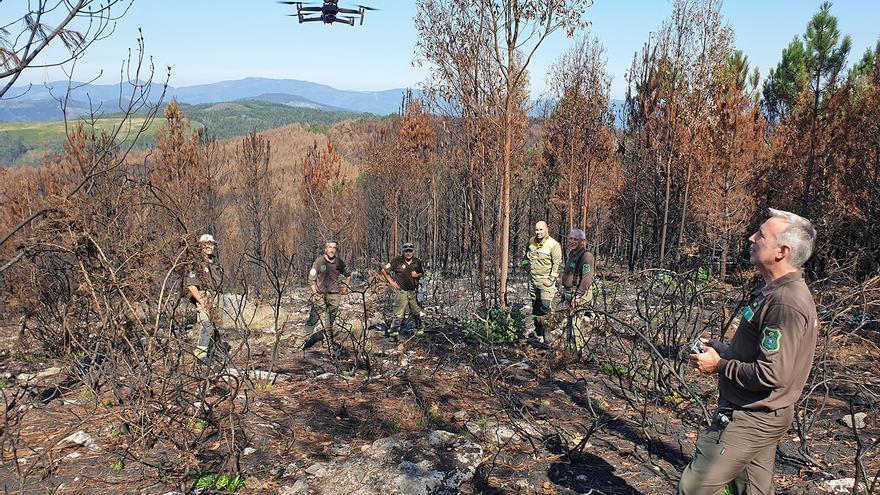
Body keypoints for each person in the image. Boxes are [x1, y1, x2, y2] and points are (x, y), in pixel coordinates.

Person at [679, 208, 818, 495]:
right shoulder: (774, 291)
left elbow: (772, 373)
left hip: (750, 418)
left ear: (782, 251)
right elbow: (767, 357)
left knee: (693, 488)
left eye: (761, 235)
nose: (751, 237)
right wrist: (726, 351)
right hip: (760, 412)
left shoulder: (785, 302)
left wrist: (719, 366)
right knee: (751, 490)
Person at [302, 240, 351, 350]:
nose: (332, 250)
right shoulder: (319, 262)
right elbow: (311, 279)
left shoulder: (339, 262)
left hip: (334, 296)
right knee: (312, 320)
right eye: (330, 247)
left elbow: (348, 275)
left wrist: (345, 287)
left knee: (330, 323)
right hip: (320, 296)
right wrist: (315, 293)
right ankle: (298, 344)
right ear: (326, 249)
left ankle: (330, 345)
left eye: (334, 248)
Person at [185, 234, 225, 363]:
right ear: (200, 246)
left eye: (211, 244)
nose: (209, 247)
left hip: (217, 296)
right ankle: (200, 355)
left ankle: (214, 351)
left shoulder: (215, 263)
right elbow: (191, 286)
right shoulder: (195, 264)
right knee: (206, 324)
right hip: (204, 296)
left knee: (215, 326)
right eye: (206, 244)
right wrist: (202, 302)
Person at [521, 220, 562, 343]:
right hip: (533, 281)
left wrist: (550, 280)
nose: (538, 232)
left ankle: (547, 332)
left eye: (541, 229)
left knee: (545, 306)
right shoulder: (531, 242)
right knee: (535, 307)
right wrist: (527, 269)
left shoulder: (554, 245)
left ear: (546, 229)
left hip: (546, 283)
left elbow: (557, 264)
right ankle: (538, 333)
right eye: (536, 229)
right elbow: (525, 259)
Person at [381, 242, 426, 337]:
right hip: (401, 291)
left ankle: (419, 329)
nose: (408, 253)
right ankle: (394, 331)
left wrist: (417, 275)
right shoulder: (397, 260)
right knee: (398, 313)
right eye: (406, 251)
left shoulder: (417, 261)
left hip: (414, 291)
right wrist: (391, 282)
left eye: (410, 251)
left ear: (413, 251)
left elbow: (421, 273)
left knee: (416, 311)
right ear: (403, 251)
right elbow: (384, 271)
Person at [560, 228, 596, 347]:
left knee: (575, 324)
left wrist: (579, 295)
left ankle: (577, 352)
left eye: (576, 239)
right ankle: (570, 349)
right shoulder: (572, 253)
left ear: (582, 241)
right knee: (570, 323)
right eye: (570, 238)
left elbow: (587, 277)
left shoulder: (586, 256)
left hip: (579, 294)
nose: (572, 241)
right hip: (571, 293)